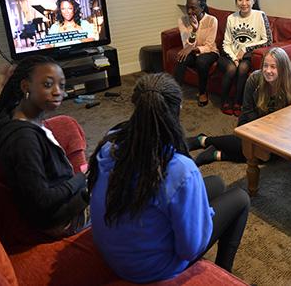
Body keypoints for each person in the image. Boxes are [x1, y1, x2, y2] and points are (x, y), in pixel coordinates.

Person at [88, 73, 250, 283]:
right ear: (179, 109)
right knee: (241, 198)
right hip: (151, 270)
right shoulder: (179, 169)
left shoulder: (111, 142)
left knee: (217, 183)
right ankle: (223, 274)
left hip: (112, 254)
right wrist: (205, 215)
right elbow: (190, 249)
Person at [0, 55, 89, 237]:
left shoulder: (11, 112)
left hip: (60, 199)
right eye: (48, 85)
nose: (58, 93)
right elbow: (42, 201)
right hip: (59, 221)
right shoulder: (23, 139)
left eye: (61, 85)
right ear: (25, 87)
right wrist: (80, 180)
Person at [188, 47, 291, 166]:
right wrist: (260, 135)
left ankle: (217, 153)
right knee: (253, 147)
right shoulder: (254, 79)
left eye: (273, 67)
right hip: (252, 123)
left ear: (283, 68)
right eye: (265, 66)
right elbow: (247, 112)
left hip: (278, 132)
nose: (268, 70)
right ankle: (204, 140)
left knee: (272, 156)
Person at [219, 0, 273, 116]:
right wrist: (234, 58)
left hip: (248, 55)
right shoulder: (231, 18)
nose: (244, 3)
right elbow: (226, 43)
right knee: (232, 69)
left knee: (243, 68)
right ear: (236, 1)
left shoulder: (260, 15)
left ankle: (238, 102)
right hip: (230, 54)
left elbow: (268, 40)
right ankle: (224, 101)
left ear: (253, 0)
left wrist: (245, 48)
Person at [174, 0, 218, 106]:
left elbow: (209, 46)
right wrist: (194, 30)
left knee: (201, 61)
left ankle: (203, 93)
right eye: (187, 8)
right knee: (181, 58)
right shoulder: (182, 21)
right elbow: (186, 44)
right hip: (192, 52)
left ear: (202, 7)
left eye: (193, 8)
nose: (189, 12)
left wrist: (192, 49)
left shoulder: (212, 20)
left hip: (210, 52)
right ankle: (175, 95)